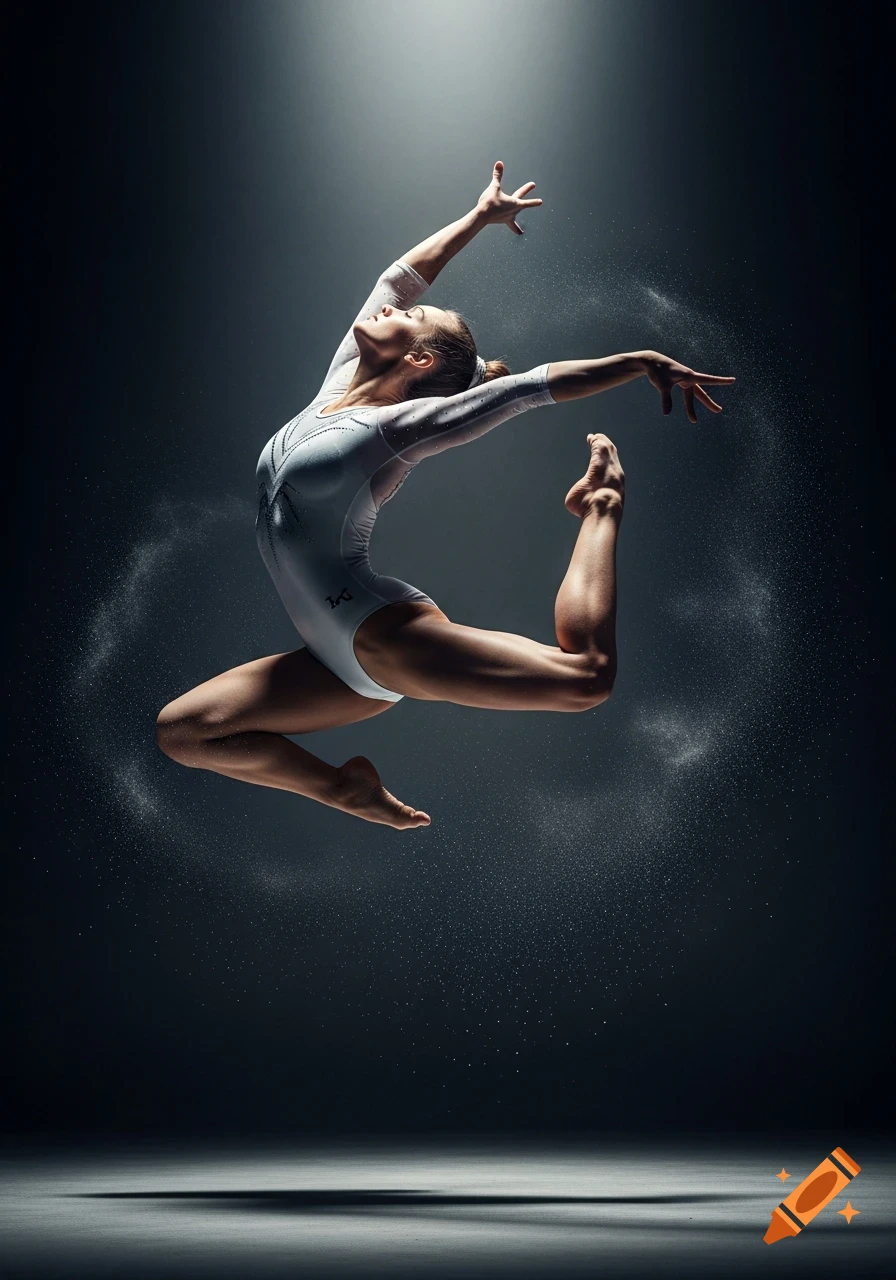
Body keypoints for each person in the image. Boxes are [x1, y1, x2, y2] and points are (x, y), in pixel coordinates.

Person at [156, 162, 734, 830]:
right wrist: (479, 220)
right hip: (330, 663)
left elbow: (527, 389)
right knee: (184, 733)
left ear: (421, 361)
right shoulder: (339, 384)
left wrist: (637, 361)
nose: (392, 308)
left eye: (411, 318)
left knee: (586, 680)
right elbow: (400, 276)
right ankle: (345, 790)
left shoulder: (400, 428)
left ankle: (601, 505)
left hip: (382, 635)